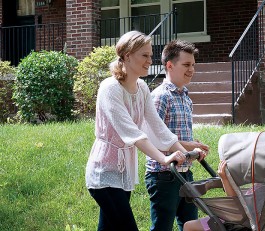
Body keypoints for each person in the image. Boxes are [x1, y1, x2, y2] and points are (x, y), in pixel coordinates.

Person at [85, 31, 200, 231]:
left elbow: (157, 126)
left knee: (109, 227)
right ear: (127, 55)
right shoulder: (110, 88)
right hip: (103, 173)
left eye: (150, 55)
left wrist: (182, 151)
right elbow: (132, 133)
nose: (150, 60)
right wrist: (164, 159)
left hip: (124, 173)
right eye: (144, 55)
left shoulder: (142, 88)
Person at [145, 39, 210, 231]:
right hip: (163, 175)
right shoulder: (160, 96)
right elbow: (151, 139)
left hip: (185, 173)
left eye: (193, 65)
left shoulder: (184, 96)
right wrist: (188, 146)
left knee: (190, 225)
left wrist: (195, 148)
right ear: (170, 65)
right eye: (187, 65)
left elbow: (179, 133)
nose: (191, 69)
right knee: (162, 227)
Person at [183, 160, 236, 231]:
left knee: (189, 226)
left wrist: (224, 179)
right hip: (240, 217)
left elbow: (235, 201)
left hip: (236, 221)